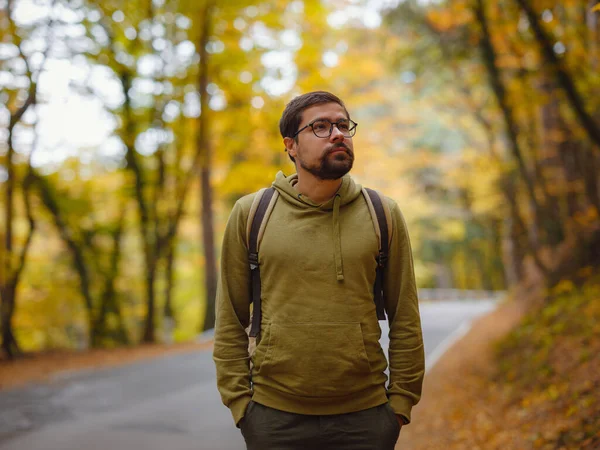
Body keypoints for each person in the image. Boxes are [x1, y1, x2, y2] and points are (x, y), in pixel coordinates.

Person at [213, 91, 424, 450]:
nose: (339, 134)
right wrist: (240, 405)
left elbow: (405, 316)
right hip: (273, 416)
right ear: (291, 146)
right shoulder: (251, 214)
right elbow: (230, 316)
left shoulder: (382, 213)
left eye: (343, 125)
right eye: (321, 127)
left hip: (366, 416)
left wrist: (400, 404)